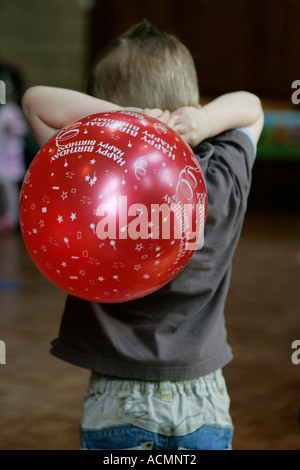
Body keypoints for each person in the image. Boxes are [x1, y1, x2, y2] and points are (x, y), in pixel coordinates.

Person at [21, 21, 264, 450]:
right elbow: (251, 108)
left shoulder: (82, 180)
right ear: (188, 101)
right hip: (205, 399)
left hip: (118, 399)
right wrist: (204, 119)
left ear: (97, 111)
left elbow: (36, 101)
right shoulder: (224, 172)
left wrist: (118, 121)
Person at [0, 63, 27, 234]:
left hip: (10, 158)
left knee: (9, 188)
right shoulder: (3, 112)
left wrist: (13, 128)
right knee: (3, 188)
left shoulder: (12, 111)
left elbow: (21, 129)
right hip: (3, 156)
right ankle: (6, 215)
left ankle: (12, 217)